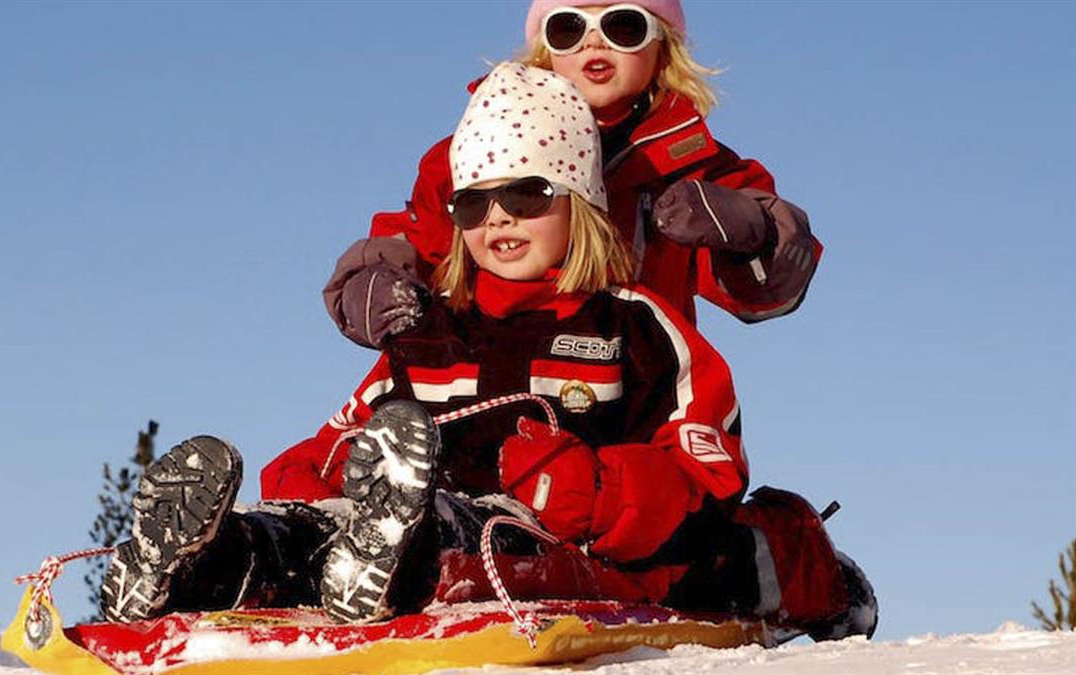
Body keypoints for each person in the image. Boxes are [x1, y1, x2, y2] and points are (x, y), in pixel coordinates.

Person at [100, 64, 874, 641]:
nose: (499, 217)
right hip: (401, 524)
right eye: (474, 202)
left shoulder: (634, 327)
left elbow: (706, 476)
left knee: (476, 536)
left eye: (527, 194)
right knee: (314, 528)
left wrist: (594, 489)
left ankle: (388, 556)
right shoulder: (431, 331)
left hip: (552, 543)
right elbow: (337, 438)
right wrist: (316, 480)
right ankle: (208, 562)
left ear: (581, 205)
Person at [324, 0, 821, 351]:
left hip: (637, 384)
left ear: (663, 45)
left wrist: (752, 231)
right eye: (568, 28)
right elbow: (424, 239)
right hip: (496, 370)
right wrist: (375, 282)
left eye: (623, 26)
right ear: (545, 48)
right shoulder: (479, 151)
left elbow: (768, 294)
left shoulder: (693, 166)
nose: (594, 41)